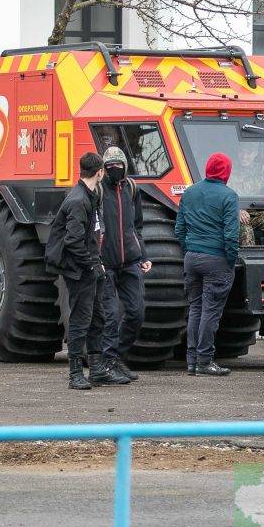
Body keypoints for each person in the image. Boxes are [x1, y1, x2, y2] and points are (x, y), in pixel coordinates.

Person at [45, 153, 129, 389]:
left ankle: (97, 369)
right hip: (79, 270)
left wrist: (97, 263)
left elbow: (90, 236)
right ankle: (75, 374)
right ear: (100, 172)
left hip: (90, 268)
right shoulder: (78, 200)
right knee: (81, 320)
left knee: (97, 317)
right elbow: (73, 241)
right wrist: (92, 265)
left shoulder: (88, 196)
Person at [174, 152, 238, 377]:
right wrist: (230, 259)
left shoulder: (190, 192)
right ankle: (205, 360)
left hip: (192, 257)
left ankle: (191, 361)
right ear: (226, 172)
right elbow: (231, 235)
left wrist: (189, 250)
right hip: (217, 259)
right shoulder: (229, 196)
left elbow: (179, 229)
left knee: (195, 309)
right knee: (211, 311)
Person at [97, 147, 148, 383]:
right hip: (104, 261)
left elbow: (136, 226)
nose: (115, 170)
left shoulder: (132, 189)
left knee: (137, 312)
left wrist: (143, 255)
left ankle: (115, 356)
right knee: (110, 314)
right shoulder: (97, 190)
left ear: (125, 167)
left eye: (118, 166)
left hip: (130, 260)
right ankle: (107, 363)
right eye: (110, 167)